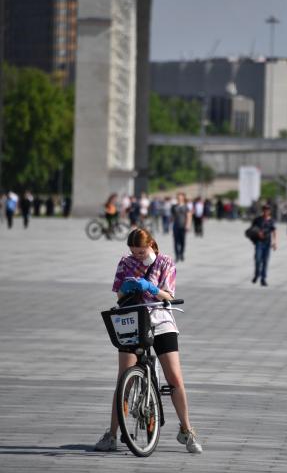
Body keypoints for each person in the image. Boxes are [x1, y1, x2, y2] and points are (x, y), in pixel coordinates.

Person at [94, 228, 202, 454]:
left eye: (141, 252)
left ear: (151, 245)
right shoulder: (125, 263)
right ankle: (112, 434)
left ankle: (187, 429)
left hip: (160, 320)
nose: (137, 256)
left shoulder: (165, 262)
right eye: (134, 252)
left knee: (175, 378)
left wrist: (151, 288)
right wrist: (125, 289)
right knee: (124, 378)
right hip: (132, 321)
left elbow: (169, 296)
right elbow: (120, 296)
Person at [250, 204, 277, 287]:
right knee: (258, 260)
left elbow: (274, 231)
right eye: (265, 209)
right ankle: (257, 274)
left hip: (267, 243)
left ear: (269, 211)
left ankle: (263, 279)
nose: (266, 211)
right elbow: (251, 229)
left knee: (265, 262)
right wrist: (258, 233)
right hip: (259, 243)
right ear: (263, 210)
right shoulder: (257, 220)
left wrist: (274, 242)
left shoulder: (271, 220)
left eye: (268, 210)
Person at [171, 193, 191, 262]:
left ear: (183, 198)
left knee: (182, 241)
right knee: (176, 242)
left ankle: (181, 254)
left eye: (180, 198)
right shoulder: (174, 207)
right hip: (175, 226)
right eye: (178, 198)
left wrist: (188, 225)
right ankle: (177, 255)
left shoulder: (186, 207)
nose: (179, 199)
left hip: (183, 226)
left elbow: (189, 216)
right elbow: (172, 217)